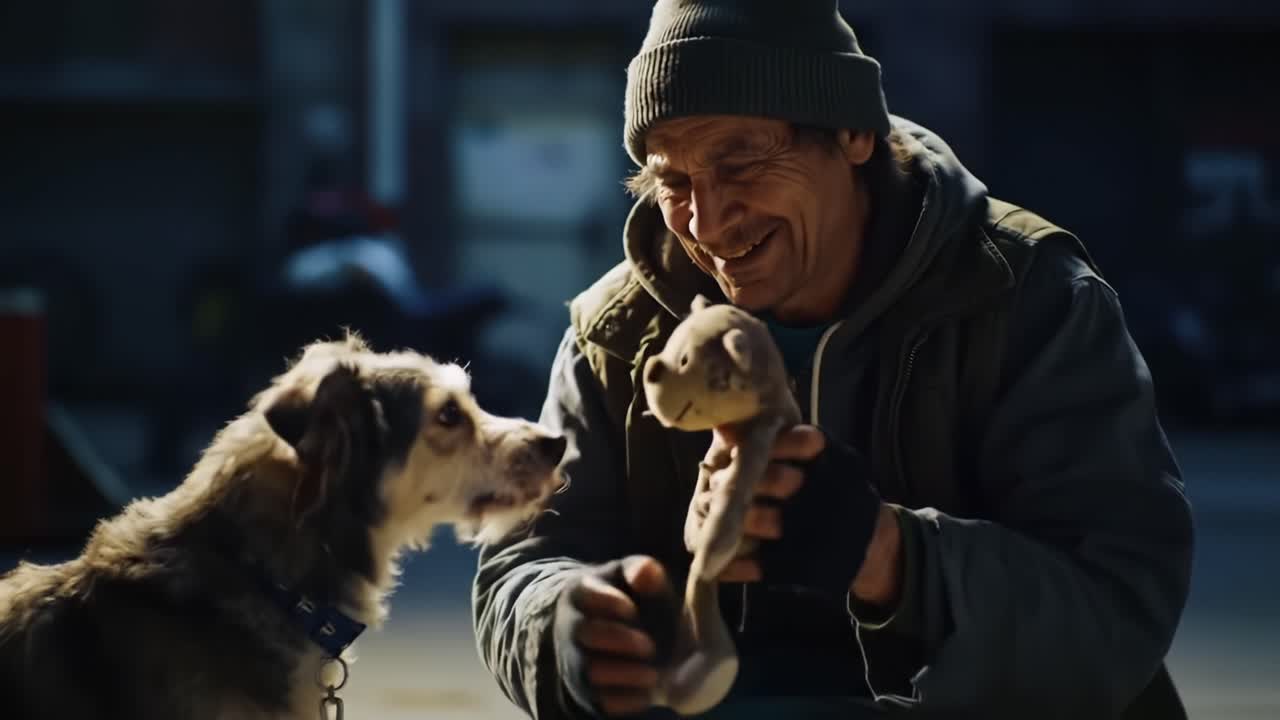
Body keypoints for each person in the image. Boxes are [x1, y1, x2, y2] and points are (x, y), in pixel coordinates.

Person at [472, 1, 1195, 718]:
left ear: (853, 133)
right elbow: (521, 566)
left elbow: (1120, 605)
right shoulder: (619, 334)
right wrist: (567, 630)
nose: (709, 221)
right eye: (675, 183)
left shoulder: (1025, 297)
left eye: (743, 160)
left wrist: (891, 557)